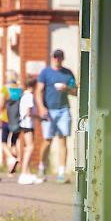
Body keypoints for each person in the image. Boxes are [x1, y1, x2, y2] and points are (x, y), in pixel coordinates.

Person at [37, 49, 78, 184]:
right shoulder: (45, 72)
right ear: (52, 58)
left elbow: (75, 91)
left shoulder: (67, 73)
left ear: (63, 58)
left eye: (59, 57)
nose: (57, 59)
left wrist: (66, 88)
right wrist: (42, 107)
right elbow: (38, 91)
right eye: (55, 57)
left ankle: (61, 172)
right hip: (48, 111)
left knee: (62, 140)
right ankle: (42, 166)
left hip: (63, 110)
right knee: (47, 140)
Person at [0, 70, 23, 174]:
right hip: (17, 120)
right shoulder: (20, 89)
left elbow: (1, 104)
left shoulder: (5, 89)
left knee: (3, 143)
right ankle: (13, 167)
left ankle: (11, 158)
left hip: (6, 119)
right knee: (14, 143)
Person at [17, 76, 43, 184]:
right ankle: (23, 173)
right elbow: (29, 112)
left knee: (28, 147)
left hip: (24, 124)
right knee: (30, 147)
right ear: (34, 86)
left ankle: (27, 173)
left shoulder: (24, 95)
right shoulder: (29, 96)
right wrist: (39, 117)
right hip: (27, 124)